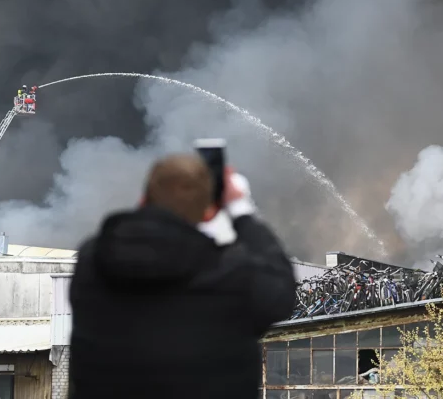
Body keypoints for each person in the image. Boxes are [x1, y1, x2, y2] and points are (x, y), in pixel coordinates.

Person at [68, 154, 296, 399]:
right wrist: (241, 211)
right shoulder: (229, 273)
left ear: (144, 198)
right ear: (209, 212)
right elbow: (281, 291)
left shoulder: (91, 263)